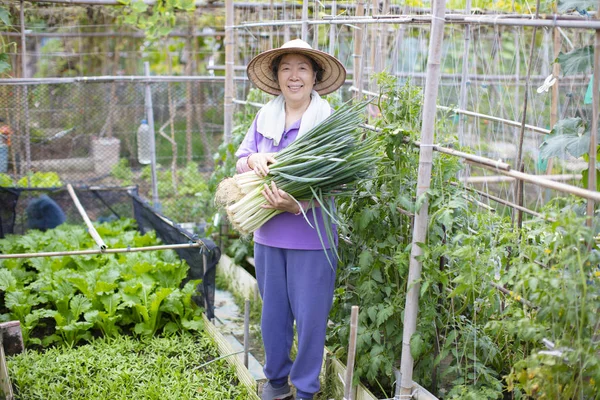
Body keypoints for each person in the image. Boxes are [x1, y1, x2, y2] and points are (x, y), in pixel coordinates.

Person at [235, 39, 346, 400]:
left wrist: (299, 207)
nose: (293, 76)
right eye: (286, 68)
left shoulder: (328, 122)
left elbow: (338, 179)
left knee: (311, 320)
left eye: (302, 68)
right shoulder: (264, 116)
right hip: (268, 235)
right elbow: (242, 158)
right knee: (273, 318)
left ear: (314, 76)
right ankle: (277, 382)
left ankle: (306, 391)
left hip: (312, 237)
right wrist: (254, 162)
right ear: (276, 76)